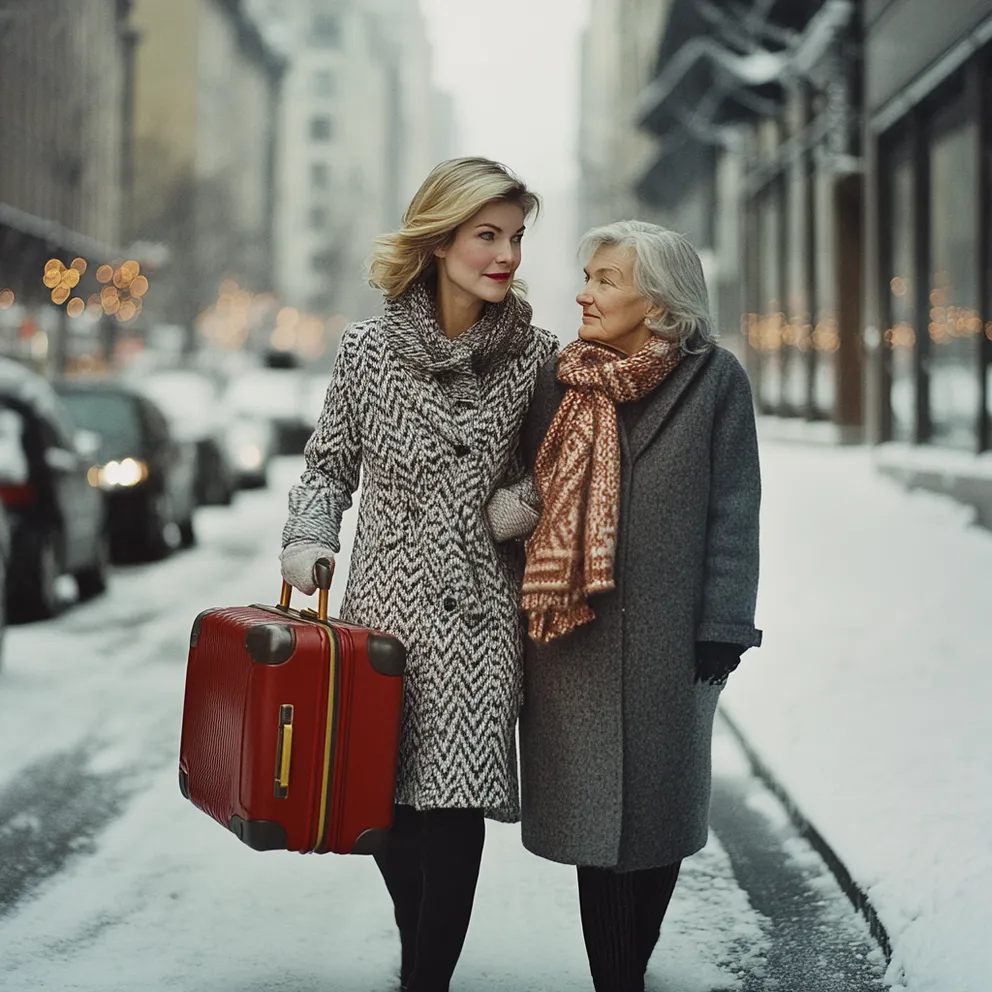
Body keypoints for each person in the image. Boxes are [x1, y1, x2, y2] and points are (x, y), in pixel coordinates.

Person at [279, 156, 558, 992]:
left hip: (479, 613)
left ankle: (425, 979)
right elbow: (328, 464)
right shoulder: (367, 351)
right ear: (439, 242)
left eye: (514, 237)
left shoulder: (537, 357)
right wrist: (308, 538)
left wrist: (517, 506)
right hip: (382, 620)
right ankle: (416, 942)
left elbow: (562, 474)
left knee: (453, 814)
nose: (505, 254)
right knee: (392, 816)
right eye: (487, 236)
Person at [517, 221, 762, 992]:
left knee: (656, 829)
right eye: (587, 275)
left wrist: (724, 624)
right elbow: (520, 483)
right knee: (598, 830)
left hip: (670, 642)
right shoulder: (556, 380)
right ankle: (616, 979)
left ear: (658, 300)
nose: (584, 292)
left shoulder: (716, 381)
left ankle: (631, 961)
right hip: (572, 637)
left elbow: (734, 511)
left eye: (606, 279)